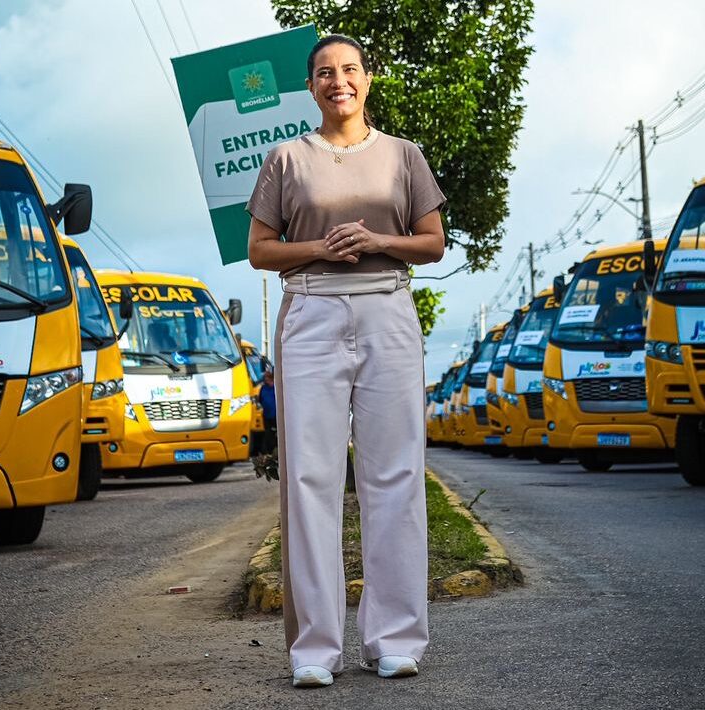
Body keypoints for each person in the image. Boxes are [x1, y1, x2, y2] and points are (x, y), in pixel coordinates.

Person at [246, 34, 446, 689]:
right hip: (310, 312)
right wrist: (318, 252)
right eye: (326, 72)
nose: (340, 81)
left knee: (395, 474)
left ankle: (394, 638)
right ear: (311, 87)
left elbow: (433, 244)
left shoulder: (404, 156)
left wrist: (377, 239)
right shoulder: (286, 158)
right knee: (309, 479)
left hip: (388, 309)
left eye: (350, 69)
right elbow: (260, 251)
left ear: (367, 78)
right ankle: (315, 648)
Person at [259, 368, 277, 453]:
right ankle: (268, 450)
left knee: (274, 433)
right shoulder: (263, 388)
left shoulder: (276, 388)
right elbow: (261, 399)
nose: (266, 380)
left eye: (267, 378)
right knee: (268, 433)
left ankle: (273, 449)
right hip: (266, 415)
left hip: (275, 415)